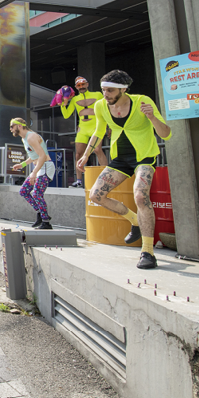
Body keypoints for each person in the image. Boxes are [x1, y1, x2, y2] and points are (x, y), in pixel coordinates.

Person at [77, 70, 172, 270]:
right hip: (119, 158)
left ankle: (147, 251)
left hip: (144, 155)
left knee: (140, 196)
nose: (105, 94)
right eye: (103, 90)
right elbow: (99, 131)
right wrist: (86, 155)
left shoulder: (141, 101)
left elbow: (166, 133)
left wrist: (152, 117)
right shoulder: (101, 105)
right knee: (95, 195)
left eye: (110, 90)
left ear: (123, 89)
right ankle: (135, 221)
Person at [61, 76, 109, 187]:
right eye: (79, 85)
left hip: (96, 127)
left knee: (97, 149)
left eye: (83, 84)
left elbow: (106, 109)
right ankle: (79, 181)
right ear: (76, 87)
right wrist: (63, 104)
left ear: (87, 84)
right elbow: (66, 114)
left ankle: (107, 176)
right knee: (78, 154)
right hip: (83, 129)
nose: (81, 87)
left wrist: (109, 126)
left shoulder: (97, 95)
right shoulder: (74, 99)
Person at [10, 118, 56, 229]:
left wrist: (34, 173)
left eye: (12, 126)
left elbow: (43, 156)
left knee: (36, 194)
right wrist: (22, 165)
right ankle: (41, 213)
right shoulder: (25, 139)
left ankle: (46, 222)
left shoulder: (31, 137)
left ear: (19, 126)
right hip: (39, 168)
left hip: (46, 167)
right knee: (24, 191)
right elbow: (34, 156)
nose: (10, 129)